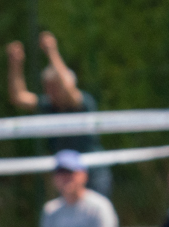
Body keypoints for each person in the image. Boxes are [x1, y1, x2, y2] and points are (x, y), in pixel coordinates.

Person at [6, 32, 109, 194]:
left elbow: (67, 88)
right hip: (65, 175)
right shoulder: (48, 105)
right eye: (47, 87)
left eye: (55, 86)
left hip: (92, 172)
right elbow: (19, 97)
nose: (50, 91)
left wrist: (52, 52)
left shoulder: (83, 102)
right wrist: (15, 64)